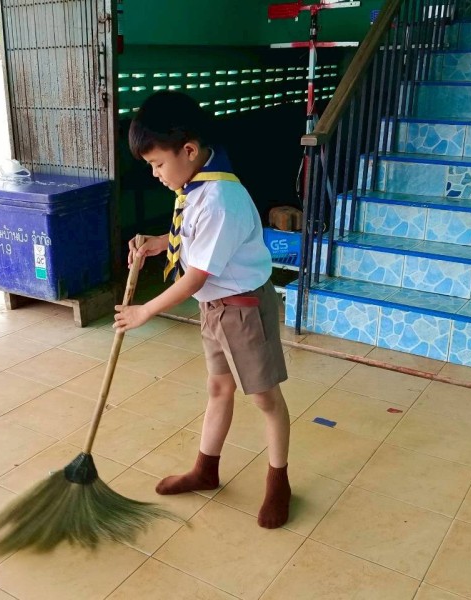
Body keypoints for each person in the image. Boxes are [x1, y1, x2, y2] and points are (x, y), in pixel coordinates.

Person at [114, 91, 292, 529]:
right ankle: (205, 469)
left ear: (189, 150)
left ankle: (279, 481)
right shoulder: (193, 187)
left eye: (157, 164)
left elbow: (194, 277)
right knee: (218, 388)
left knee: (265, 398)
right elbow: (192, 239)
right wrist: (160, 243)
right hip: (214, 309)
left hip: (243, 310)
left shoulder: (219, 200)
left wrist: (144, 311)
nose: (155, 174)